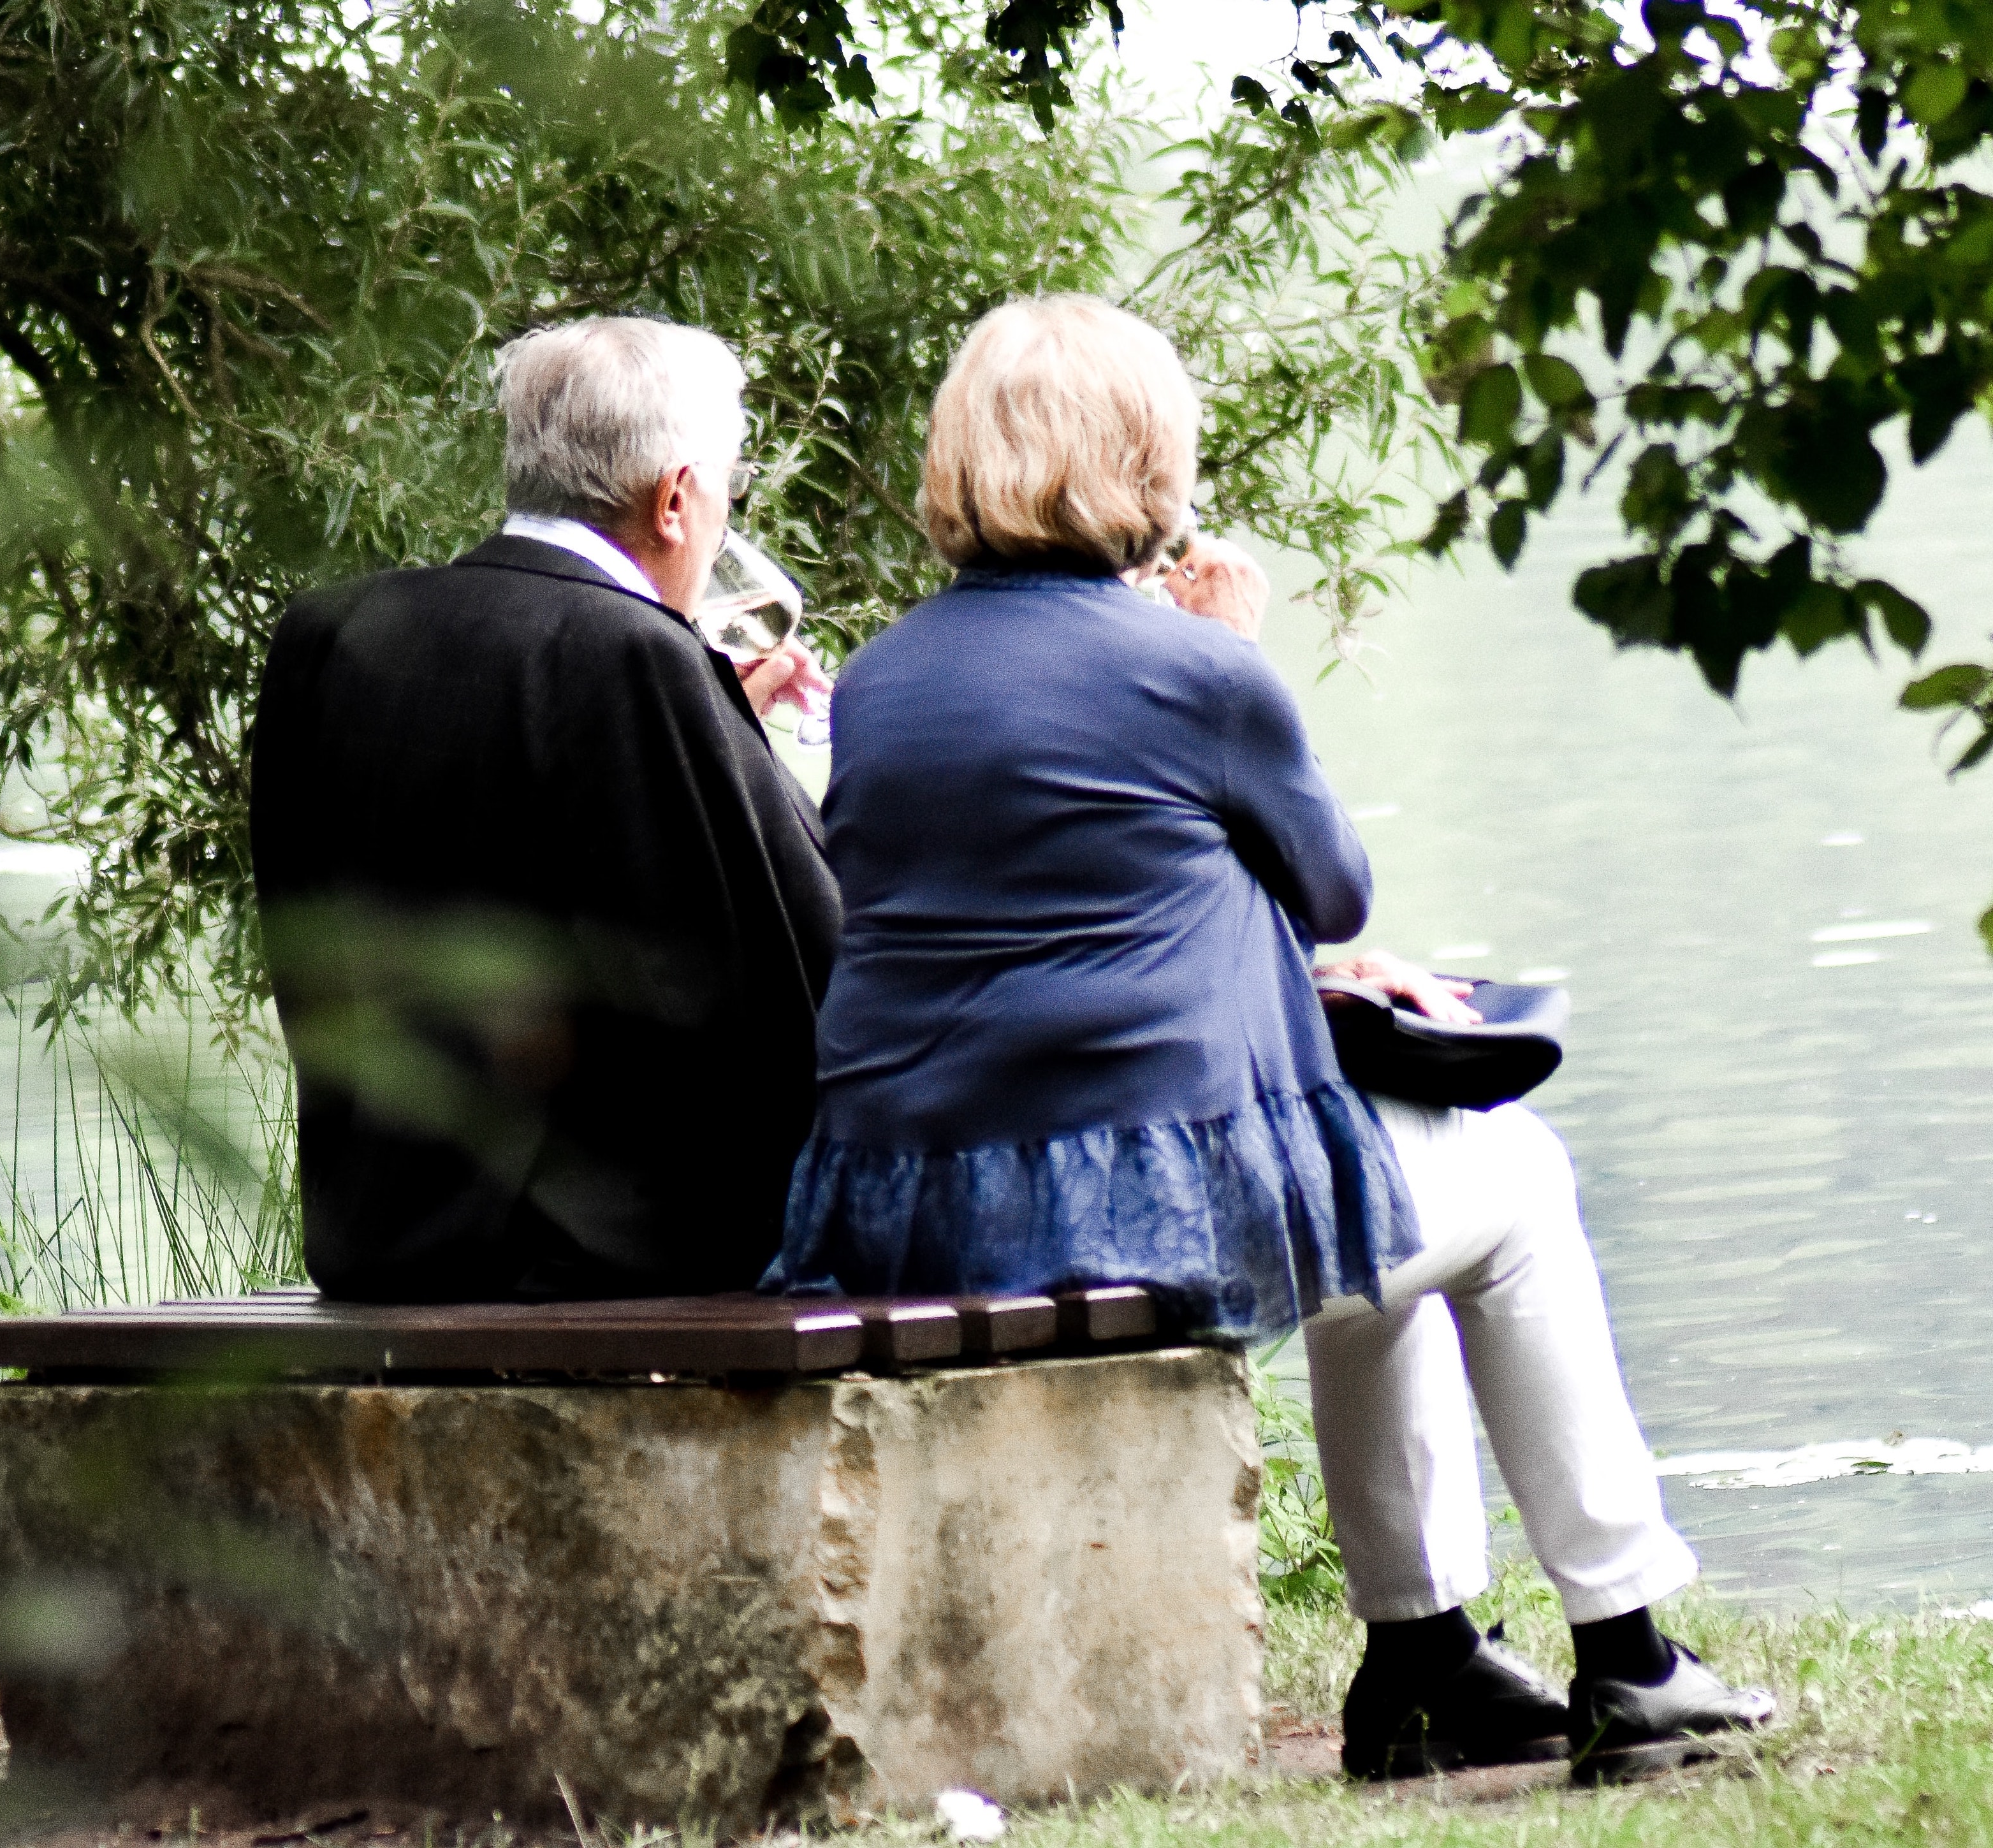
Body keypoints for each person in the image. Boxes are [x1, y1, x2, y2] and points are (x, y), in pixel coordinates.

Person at [760, 295, 1774, 1784]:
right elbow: (1333, 886)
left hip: (915, 1201)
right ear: (1144, 458)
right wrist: (1236, 652)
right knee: (1518, 1180)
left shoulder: (888, 681)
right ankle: (1628, 1648)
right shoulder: (1195, 670)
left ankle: (1425, 1657)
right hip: (1130, 1212)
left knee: (1391, 1225)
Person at [248, 317, 838, 1304]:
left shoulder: (328, 635)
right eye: (729, 492)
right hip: (600, 1262)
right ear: (679, 498)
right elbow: (791, 973)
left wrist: (716, 716)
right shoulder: (635, 658)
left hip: (378, 1239)